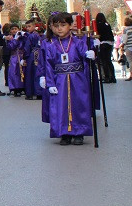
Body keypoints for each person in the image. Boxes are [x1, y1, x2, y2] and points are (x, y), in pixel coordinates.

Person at [40, 12, 95, 145]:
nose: (59, 28)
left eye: (63, 25)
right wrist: (49, 83)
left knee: (79, 104)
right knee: (60, 105)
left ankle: (79, 132)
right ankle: (63, 132)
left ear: (70, 25)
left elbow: (85, 57)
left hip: (78, 79)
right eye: (56, 26)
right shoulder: (52, 44)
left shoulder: (78, 41)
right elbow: (48, 64)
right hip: (59, 80)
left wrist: (91, 55)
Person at [23, 19, 44, 100]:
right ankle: (39, 92)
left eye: (29, 26)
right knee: (37, 72)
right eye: (26, 27)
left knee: (30, 74)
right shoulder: (38, 35)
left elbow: (27, 47)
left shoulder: (30, 36)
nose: (28, 28)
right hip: (39, 54)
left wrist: (25, 57)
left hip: (32, 55)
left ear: (34, 26)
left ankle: (30, 93)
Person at [95, 12, 116, 83]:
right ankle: (113, 77)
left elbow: (98, 35)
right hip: (110, 43)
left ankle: (107, 77)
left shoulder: (98, 25)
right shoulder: (107, 24)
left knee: (103, 61)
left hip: (103, 43)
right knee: (109, 61)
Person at [5, 24, 25, 96]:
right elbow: (11, 47)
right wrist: (15, 40)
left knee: (22, 72)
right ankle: (13, 88)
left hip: (21, 56)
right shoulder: (10, 39)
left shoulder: (22, 37)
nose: (14, 30)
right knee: (13, 72)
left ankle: (21, 88)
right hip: (14, 57)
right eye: (12, 29)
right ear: (10, 31)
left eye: (15, 29)